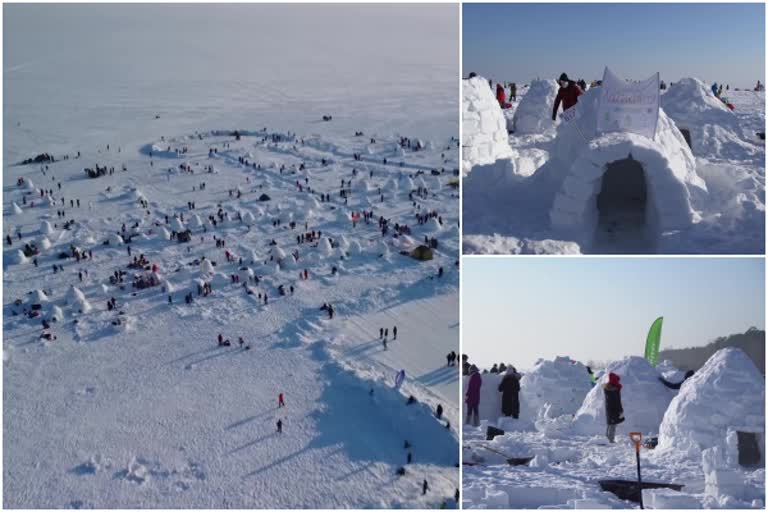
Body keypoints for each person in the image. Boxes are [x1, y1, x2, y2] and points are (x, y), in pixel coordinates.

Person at [603, 372, 624, 443]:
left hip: (609, 409)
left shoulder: (608, 389)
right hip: (613, 409)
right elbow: (617, 401)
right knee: (612, 425)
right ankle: (610, 440)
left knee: (610, 424)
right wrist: (620, 410)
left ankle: (607, 439)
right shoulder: (614, 390)